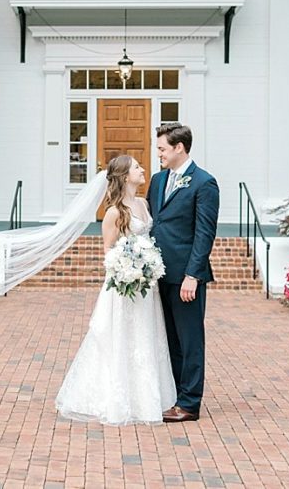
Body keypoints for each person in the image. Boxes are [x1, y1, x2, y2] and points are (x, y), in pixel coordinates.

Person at [55, 155, 176, 425]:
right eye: (136, 167)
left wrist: (148, 266)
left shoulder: (144, 204)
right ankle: (117, 399)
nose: (142, 169)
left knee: (146, 338)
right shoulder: (113, 212)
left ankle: (145, 398)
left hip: (147, 288)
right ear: (124, 176)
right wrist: (128, 270)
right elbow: (109, 253)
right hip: (124, 289)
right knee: (121, 339)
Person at [147, 123, 220, 423]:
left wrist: (193, 274)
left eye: (162, 148)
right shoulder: (157, 179)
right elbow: (155, 222)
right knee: (170, 340)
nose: (159, 154)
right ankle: (175, 395)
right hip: (158, 274)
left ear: (179, 148)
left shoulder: (204, 183)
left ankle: (189, 403)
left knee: (190, 340)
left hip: (185, 277)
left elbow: (205, 233)